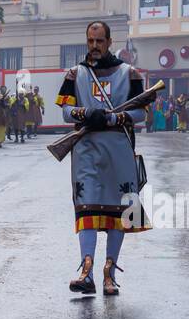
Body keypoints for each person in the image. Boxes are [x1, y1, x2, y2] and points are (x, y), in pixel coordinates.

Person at [56, 20, 151, 296]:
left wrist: (112, 117)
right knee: (86, 208)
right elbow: (65, 112)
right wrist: (86, 114)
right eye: (90, 41)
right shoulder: (76, 74)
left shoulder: (128, 73)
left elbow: (141, 114)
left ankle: (109, 273)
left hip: (119, 149)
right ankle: (86, 271)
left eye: (99, 41)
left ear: (110, 42)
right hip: (85, 149)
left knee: (119, 211)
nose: (94, 46)